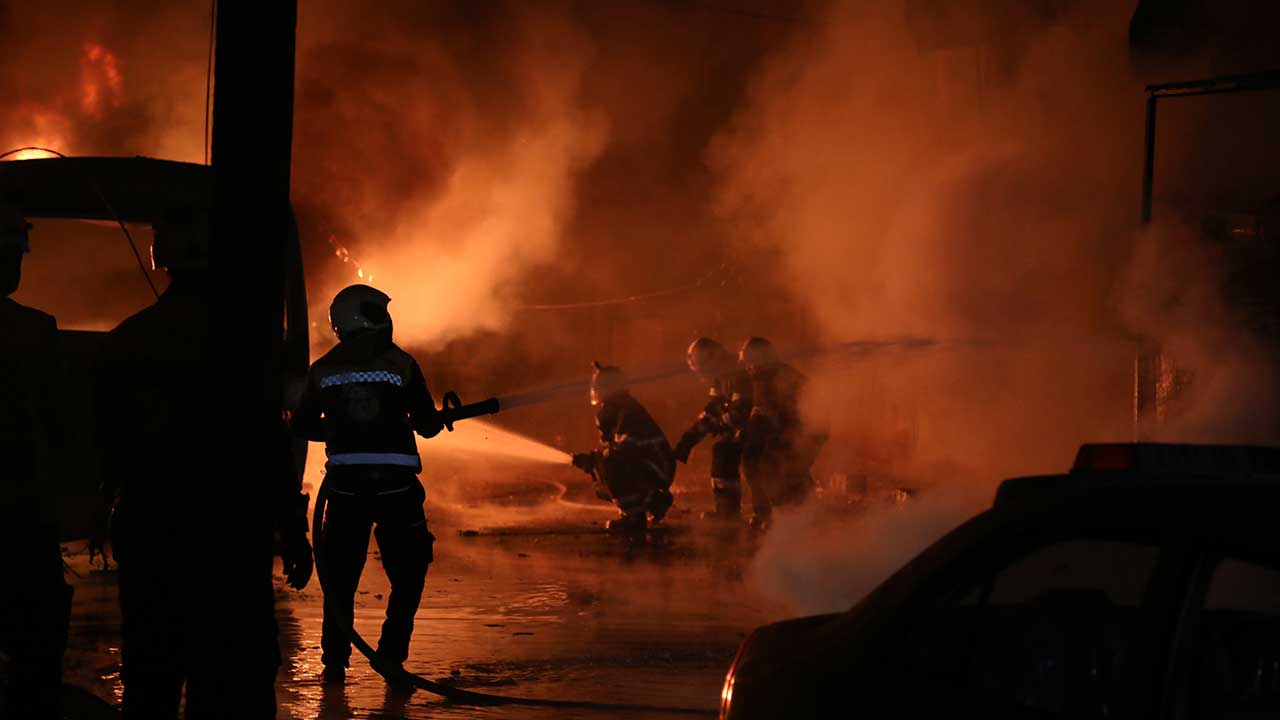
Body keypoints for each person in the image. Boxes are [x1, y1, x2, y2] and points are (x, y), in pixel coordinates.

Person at [97, 208, 312, 717]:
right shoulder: (248, 349)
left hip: (153, 535)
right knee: (234, 686)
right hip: (231, 541)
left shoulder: (128, 340)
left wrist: (105, 512)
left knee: (152, 680)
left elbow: (109, 440)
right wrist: (292, 530)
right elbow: (270, 444)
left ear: (160, 258)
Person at [290, 283, 443, 685]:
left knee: (340, 578)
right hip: (397, 490)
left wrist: (345, 429)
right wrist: (401, 423)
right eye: (380, 311)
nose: (387, 319)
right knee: (409, 572)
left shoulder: (322, 369)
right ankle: (391, 655)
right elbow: (427, 425)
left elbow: (303, 424)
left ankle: (334, 664)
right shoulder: (401, 363)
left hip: (344, 491)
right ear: (365, 316)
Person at [0, 203, 72, 718]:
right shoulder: (34, 332)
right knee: (34, 651)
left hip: (24, 509)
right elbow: (59, 425)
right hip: (21, 513)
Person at [572, 362, 676, 533]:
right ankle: (641, 505)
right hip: (649, 466)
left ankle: (640, 512)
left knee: (609, 465)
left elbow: (626, 451)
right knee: (602, 480)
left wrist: (595, 459)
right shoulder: (618, 410)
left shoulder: (628, 413)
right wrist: (594, 460)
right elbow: (616, 449)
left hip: (657, 468)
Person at [738, 337, 826, 529]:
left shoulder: (770, 377)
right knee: (786, 466)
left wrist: (747, 431)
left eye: (749, 362)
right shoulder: (772, 374)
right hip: (806, 428)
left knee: (777, 464)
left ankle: (786, 516)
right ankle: (797, 514)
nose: (747, 367)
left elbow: (766, 415)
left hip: (808, 429)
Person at [673, 338, 752, 521]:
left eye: (704, 369)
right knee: (723, 450)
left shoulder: (739, 373)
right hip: (746, 428)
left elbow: (741, 411)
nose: (704, 375)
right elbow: (714, 406)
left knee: (743, 459)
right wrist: (691, 436)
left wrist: (716, 425)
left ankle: (753, 513)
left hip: (761, 427)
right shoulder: (721, 375)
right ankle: (727, 511)